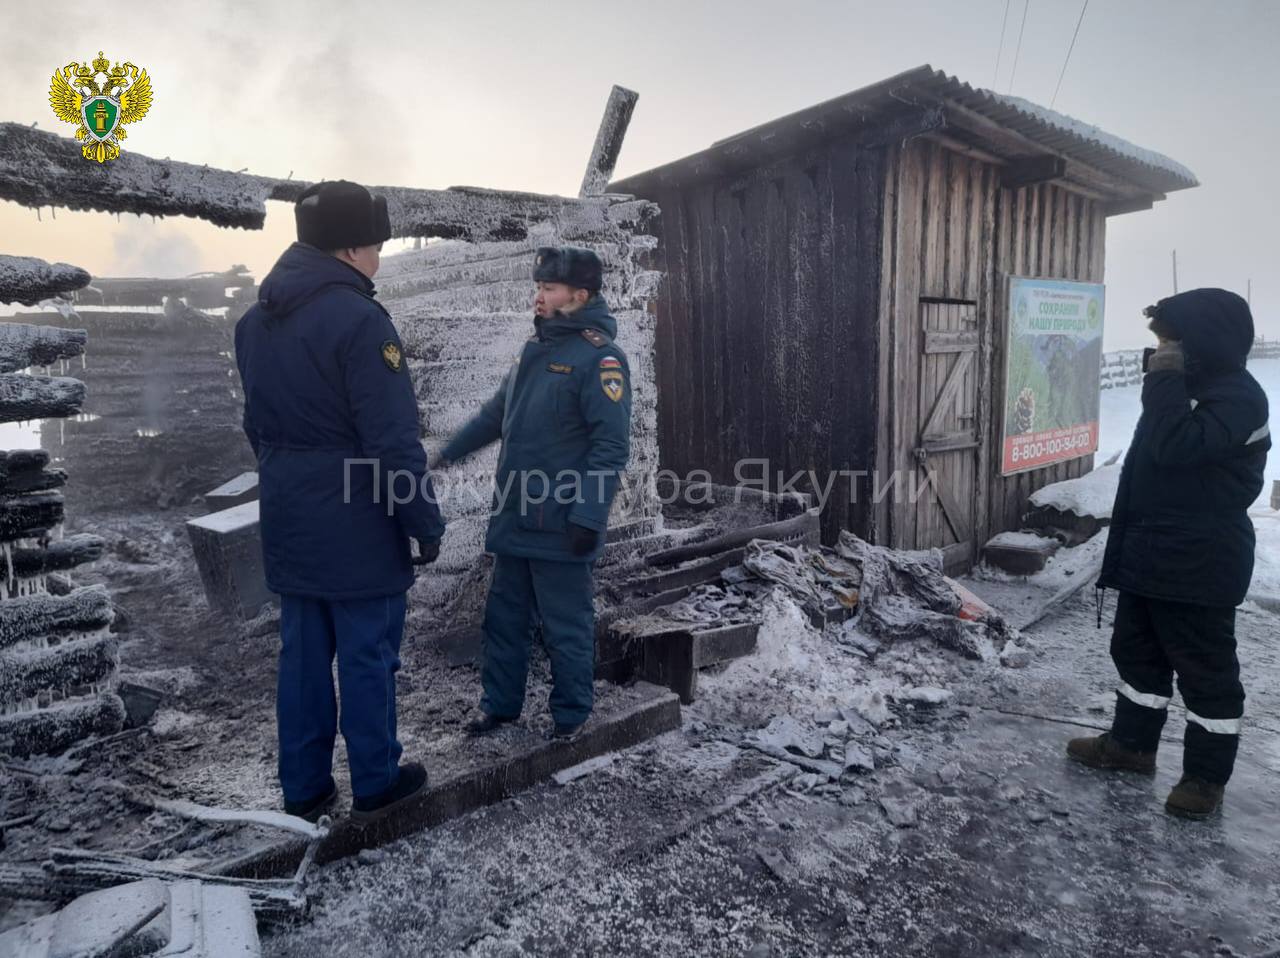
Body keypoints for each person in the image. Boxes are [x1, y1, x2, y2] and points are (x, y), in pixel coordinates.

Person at [235, 180, 446, 823]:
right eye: (376, 243)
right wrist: (423, 521)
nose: (379, 255)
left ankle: (304, 787)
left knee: (301, 659)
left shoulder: (253, 322)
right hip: (358, 522)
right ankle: (376, 782)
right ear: (355, 247)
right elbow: (392, 443)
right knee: (366, 655)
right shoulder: (361, 320)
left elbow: (256, 429)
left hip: (291, 518)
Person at [1068, 288, 1270, 820]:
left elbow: (1175, 447)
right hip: (1151, 553)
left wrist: (1162, 377)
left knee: (1205, 672)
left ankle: (1205, 778)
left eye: (1170, 341)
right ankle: (1131, 747)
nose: (1161, 350)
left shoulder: (1237, 397)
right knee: (1137, 657)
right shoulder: (1190, 387)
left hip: (1200, 561)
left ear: (1201, 340)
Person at [433, 246, 631, 742]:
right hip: (515, 516)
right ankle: (500, 706)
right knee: (503, 620)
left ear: (578, 296)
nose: (538, 296)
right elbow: (493, 416)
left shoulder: (600, 359)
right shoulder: (533, 352)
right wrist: (443, 455)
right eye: (538, 287)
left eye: (548, 288)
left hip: (563, 523)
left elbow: (610, 447)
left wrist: (589, 516)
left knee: (565, 625)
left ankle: (570, 718)